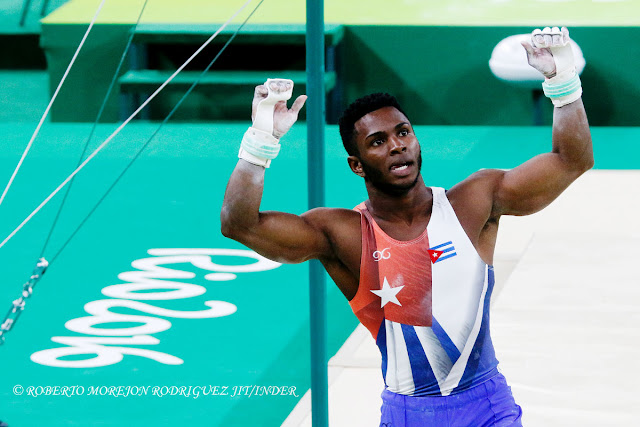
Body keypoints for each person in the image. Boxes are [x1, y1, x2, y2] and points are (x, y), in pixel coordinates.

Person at [221, 27, 593, 426]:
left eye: (403, 132)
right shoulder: (343, 232)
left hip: (489, 407)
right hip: (411, 414)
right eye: (378, 141)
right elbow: (240, 225)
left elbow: (571, 161)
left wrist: (563, 82)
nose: (397, 145)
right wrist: (260, 141)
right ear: (357, 165)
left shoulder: (474, 201)